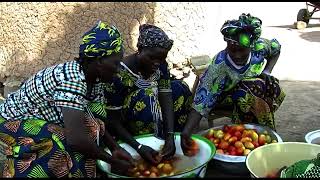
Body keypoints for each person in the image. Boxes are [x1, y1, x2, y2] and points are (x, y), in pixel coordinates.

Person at [0, 21, 134, 178]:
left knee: (94, 126)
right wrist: (111, 160)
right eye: (116, 63)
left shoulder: (95, 78)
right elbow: (76, 139)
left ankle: (81, 172)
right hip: (12, 122)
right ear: (99, 61)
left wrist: (115, 148)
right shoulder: (72, 79)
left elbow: (94, 117)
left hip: (43, 119)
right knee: (59, 141)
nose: (118, 70)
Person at [181, 13, 286, 155]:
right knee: (248, 89)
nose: (237, 55)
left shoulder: (260, 47)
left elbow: (276, 48)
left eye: (242, 50)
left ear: (252, 45)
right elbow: (202, 100)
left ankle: (262, 134)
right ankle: (253, 137)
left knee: (265, 84)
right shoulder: (219, 65)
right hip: (225, 98)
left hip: (255, 92)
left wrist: (267, 72)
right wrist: (186, 131)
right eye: (232, 50)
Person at [89, 24, 193, 164]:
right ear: (140, 50)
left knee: (180, 88)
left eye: (161, 59)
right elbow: (112, 120)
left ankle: (172, 140)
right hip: (126, 123)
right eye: (151, 58)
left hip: (155, 114)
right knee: (146, 96)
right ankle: (148, 143)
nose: (157, 63)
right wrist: (137, 146)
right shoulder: (118, 74)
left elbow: (165, 94)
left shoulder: (160, 64)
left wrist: (170, 136)